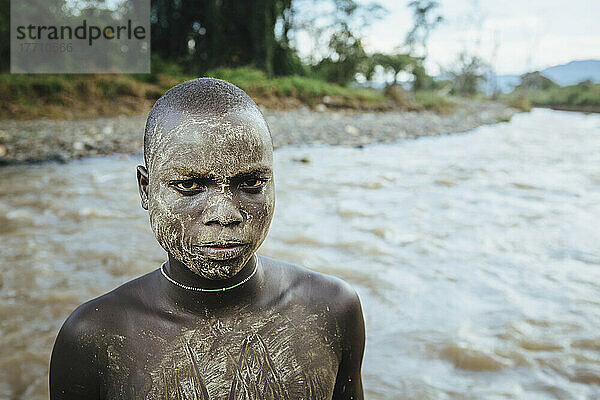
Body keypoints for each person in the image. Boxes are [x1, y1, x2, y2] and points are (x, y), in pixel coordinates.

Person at [49, 78, 365, 400]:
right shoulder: (94, 337)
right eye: (190, 186)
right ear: (146, 189)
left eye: (252, 183)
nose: (224, 214)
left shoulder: (332, 309)